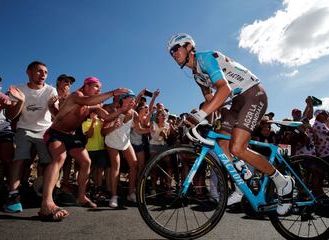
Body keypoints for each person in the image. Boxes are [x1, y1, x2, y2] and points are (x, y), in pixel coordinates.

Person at [167, 33, 294, 215]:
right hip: (235, 103)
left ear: (188, 47)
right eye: (171, 52)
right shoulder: (197, 76)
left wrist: (200, 115)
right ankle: (243, 181)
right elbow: (212, 102)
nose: (173, 54)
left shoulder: (205, 58)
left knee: (237, 148)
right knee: (222, 143)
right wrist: (201, 122)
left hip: (253, 95)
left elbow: (224, 89)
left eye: (175, 49)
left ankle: (284, 183)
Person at [39, 76, 130, 221]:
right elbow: (87, 101)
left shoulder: (93, 106)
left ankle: (81, 196)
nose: (98, 91)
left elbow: (107, 117)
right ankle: (47, 203)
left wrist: (122, 110)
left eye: (100, 89)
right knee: (60, 157)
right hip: (55, 133)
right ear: (86, 86)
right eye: (96, 87)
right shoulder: (76, 96)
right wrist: (113, 93)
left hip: (71, 135)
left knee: (86, 161)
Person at [3, 61, 57, 213]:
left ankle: (47, 195)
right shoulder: (18, 89)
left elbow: (56, 115)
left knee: (49, 162)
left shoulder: (51, 90)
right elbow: (10, 116)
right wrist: (20, 101)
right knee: (20, 158)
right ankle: (12, 195)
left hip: (44, 131)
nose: (43, 75)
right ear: (29, 72)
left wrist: (53, 106)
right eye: (39, 71)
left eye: (45, 72)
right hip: (24, 128)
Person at [102, 90, 142, 208]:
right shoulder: (114, 111)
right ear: (123, 100)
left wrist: (150, 130)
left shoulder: (134, 113)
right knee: (116, 166)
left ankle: (130, 193)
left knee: (134, 165)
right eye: (130, 98)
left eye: (134, 99)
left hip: (125, 141)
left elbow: (139, 130)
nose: (133, 101)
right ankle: (114, 196)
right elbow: (103, 131)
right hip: (112, 140)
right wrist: (113, 126)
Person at [0, 75, 25, 189]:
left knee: (8, 159)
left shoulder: (1, 94)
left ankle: (11, 189)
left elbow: (8, 103)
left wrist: (11, 102)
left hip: (3, 129)